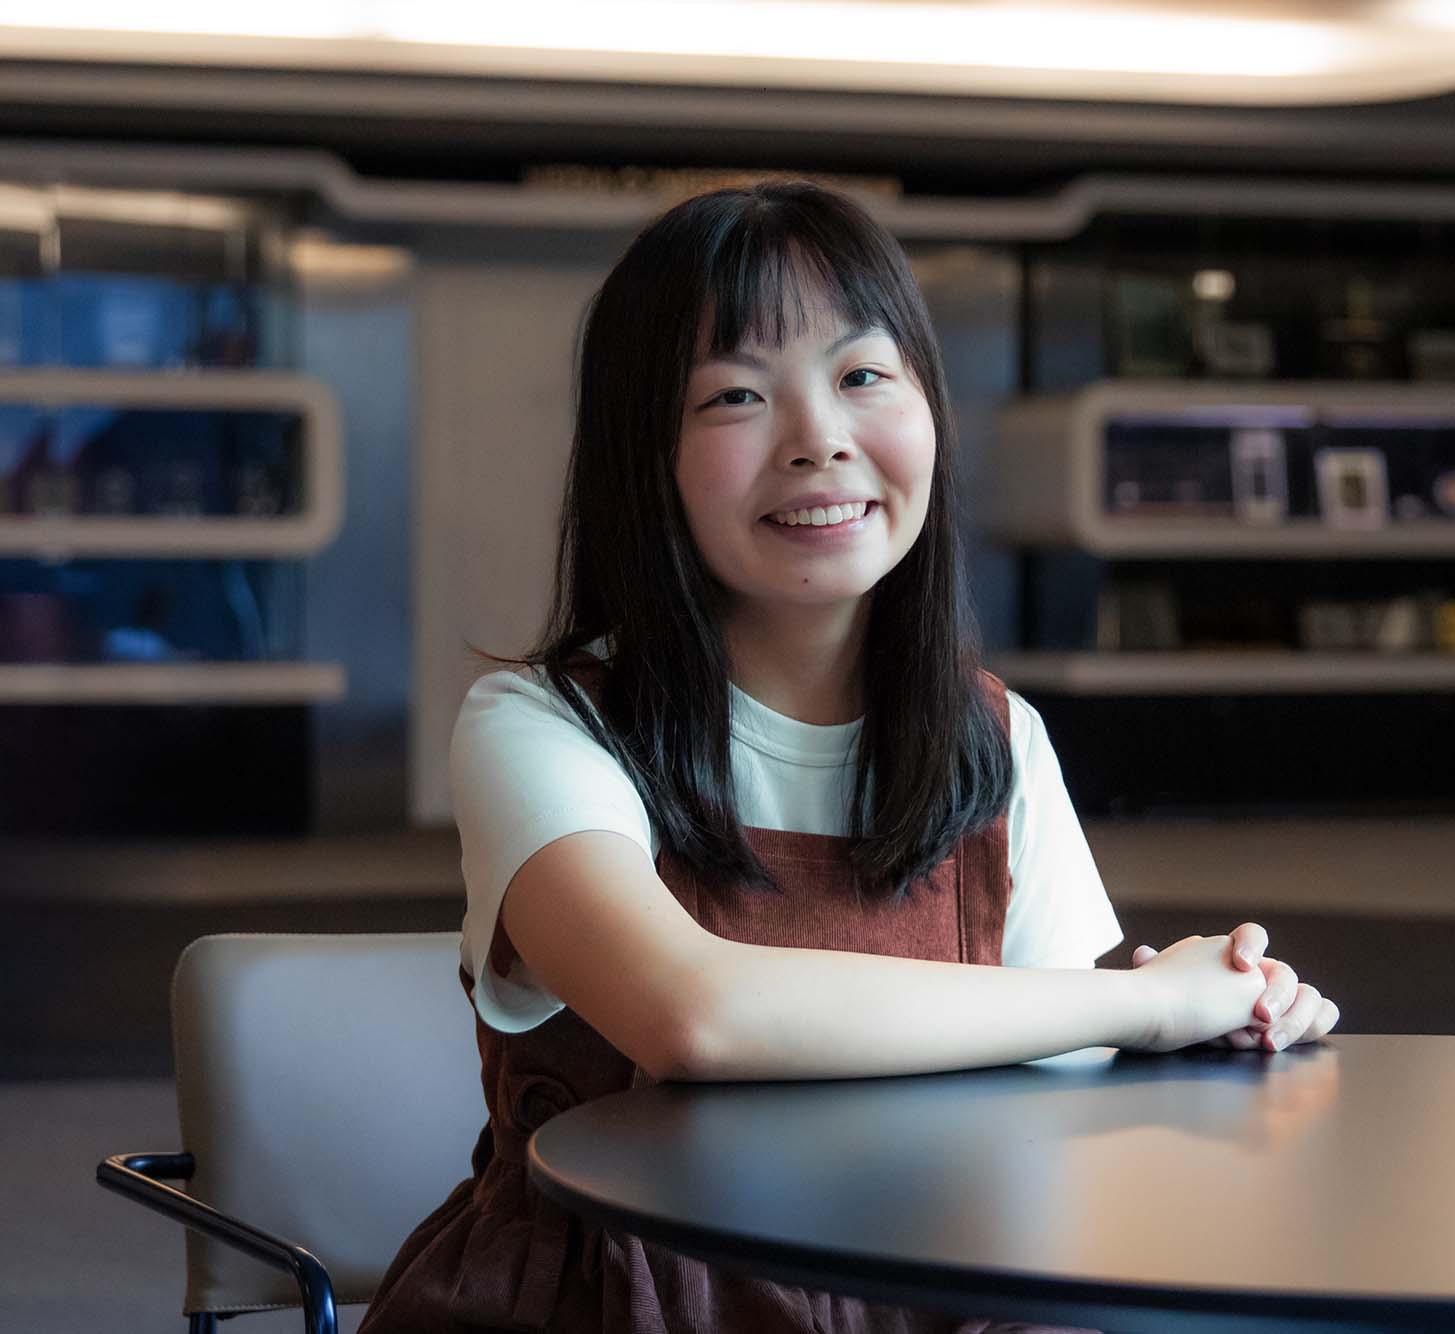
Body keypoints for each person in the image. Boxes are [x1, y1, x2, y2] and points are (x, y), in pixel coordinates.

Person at [358, 180, 1340, 1334]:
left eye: (863, 375)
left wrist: (1187, 1007)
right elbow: (693, 1013)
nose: (817, 436)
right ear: (645, 456)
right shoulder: (541, 722)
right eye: (734, 394)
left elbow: (1068, 1073)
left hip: (934, 1281)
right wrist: (1131, 1003)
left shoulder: (995, 736)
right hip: (624, 1299)